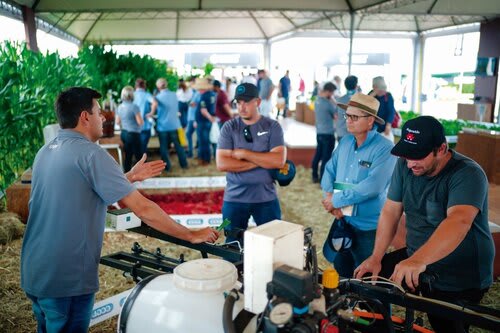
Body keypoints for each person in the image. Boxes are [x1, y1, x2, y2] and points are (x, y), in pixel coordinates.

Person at [20, 87, 219, 333]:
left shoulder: (45, 152)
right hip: (66, 277)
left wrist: (129, 177)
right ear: (84, 117)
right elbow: (144, 209)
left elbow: (80, 193)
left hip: (35, 269)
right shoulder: (92, 153)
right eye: (98, 112)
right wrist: (190, 234)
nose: (103, 117)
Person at [354, 116, 494, 333]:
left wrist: (417, 261)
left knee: (444, 324)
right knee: (366, 286)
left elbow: (459, 220)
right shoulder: (405, 164)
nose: (410, 164)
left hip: (460, 271)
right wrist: (376, 257)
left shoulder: (467, 173)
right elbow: (391, 211)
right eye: (407, 156)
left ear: (441, 149)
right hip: (416, 257)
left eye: (418, 156)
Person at [321, 93, 396, 279]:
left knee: (370, 282)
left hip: (369, 227)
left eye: (355, 117)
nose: (349, 121)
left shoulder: (385, 149)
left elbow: (373, 186)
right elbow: (329, 170)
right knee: (342, 273)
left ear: (370, 121)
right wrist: (329, 197)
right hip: (342, 219)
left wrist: (336, 200)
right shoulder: (345, 142)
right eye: (348, 115)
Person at [216, 83, 286, 244]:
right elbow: (222, 163)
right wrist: (262, 160)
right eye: (238, 102)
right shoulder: (229, 127)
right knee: (232, 243)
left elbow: (278, 160)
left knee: (274, 244)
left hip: (266, 197)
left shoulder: (272, 126)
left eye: (246, 102)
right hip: (234, 198)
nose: (242, 107)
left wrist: (244, 154)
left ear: (258, 102)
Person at [150, 78, 188, 171]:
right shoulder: (174, 95)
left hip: (163, 127)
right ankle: (184, 165)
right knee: (179, 146)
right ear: (166, 85)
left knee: (164, 148)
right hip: (175, 125)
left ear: (158, 86)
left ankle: (167, 168)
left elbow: (153, 110)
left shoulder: (157, 97)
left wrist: (150, 113)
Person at [311, 82, 338, 184]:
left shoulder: (317, 101)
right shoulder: (327, 104)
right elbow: (336, 115)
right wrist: (333, 101)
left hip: (319, 132)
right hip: (328, 133)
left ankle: (314, 175)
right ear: (328, 92)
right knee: (326, 158)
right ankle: (323, 180)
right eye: (332, 93)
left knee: (318, 155)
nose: (332, 95)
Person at [116, 86, 143, 172]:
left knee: (128, 156)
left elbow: (117, 121)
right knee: (139, 156)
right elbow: (140, 122)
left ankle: (126, 176)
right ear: (132, 95)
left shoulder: (119, 107)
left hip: (124, 133)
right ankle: (142, 175)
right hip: (133, 134)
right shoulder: (134, 107)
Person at [194, 77, 216, 165]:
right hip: (207, 121)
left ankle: (204, 159)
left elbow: (203, 110)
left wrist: (210, 118)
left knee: (202, 141)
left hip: (203, 121)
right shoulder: (212, 94)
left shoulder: (203, 96)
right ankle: (207, 158)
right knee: (206, 141)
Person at [369, 76, 395, 142]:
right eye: (379, 89)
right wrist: (372, 95)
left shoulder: (388, 96)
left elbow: (391, 111)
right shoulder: (370, 95)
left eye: (382, 89)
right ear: (374, 87)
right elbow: (363, 107)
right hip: (372, 127)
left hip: (384, 127)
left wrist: (388, 125)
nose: (381, 91)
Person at [133, 78, 154, 156]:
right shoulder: (146, 95)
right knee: (143, 147)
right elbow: (154, 102)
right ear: (144, 85)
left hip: (134, 126)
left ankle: (137, 162)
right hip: (144, 125)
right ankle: (142, 163)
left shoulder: (132, 95)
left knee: (136, 146)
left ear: (136, 86)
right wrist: (151, 112)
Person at [336, 75, 358, 143]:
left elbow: (336, 115)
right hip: (354, 134)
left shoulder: (339, 100)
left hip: (341, 133)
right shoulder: (359, 100)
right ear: (356, 86)